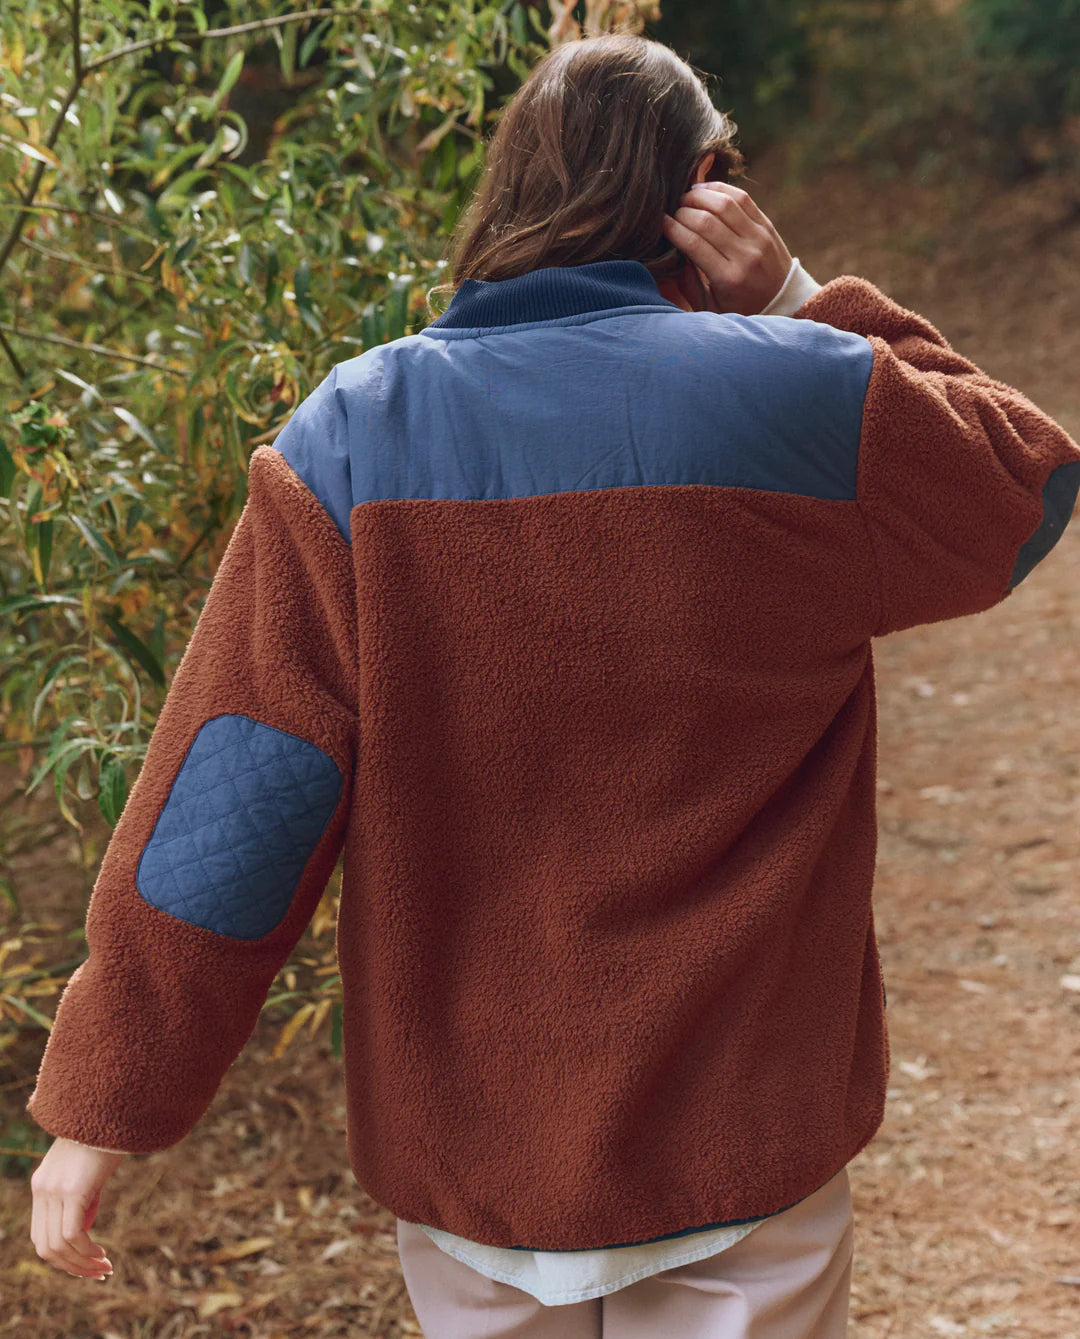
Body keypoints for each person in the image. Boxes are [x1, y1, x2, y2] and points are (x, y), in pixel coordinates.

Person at [25, 30, 1080, 1339]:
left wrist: (107, 1100)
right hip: (742, 1124)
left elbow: (241, 795)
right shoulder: (806, 396)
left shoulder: (353, 434)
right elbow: (1025, 488)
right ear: (702, 195)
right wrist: (802, 293)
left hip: (475, 1149)